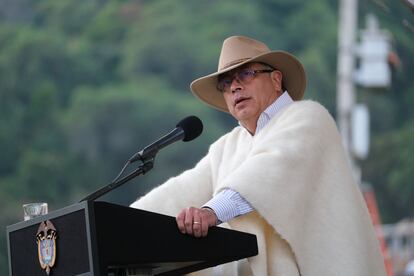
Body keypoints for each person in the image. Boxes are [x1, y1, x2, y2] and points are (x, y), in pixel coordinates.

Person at [131, 35, 386, 275]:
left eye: (245, 74)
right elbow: (180, 191)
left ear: (276, 80)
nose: (234, 87)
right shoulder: (228, 145)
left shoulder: (308, 117)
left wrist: (209, 212)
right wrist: (117, 224)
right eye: (226, 82)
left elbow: (269, 171)